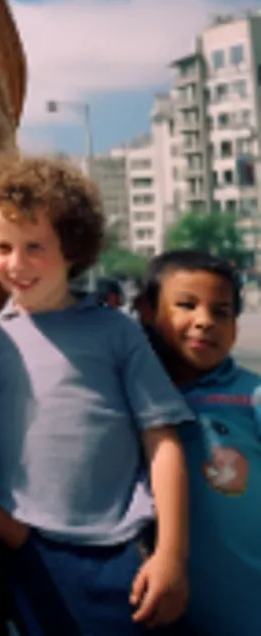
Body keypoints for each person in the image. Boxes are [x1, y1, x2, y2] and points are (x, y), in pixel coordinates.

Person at [0, 156, 193, 636]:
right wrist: (3, 526)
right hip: (25, 555)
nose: (16, 263)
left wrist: (170, 554)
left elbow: (163, 442)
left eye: (35, 246)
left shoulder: (117, 333)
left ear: (72, 247)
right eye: (3, 246)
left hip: (119, 559)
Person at [137, 249, 261, 636]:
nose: (205, 321)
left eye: (221, 312)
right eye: (186, 305)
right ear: (146, 311)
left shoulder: (250, 396)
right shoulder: (130, 397)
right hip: (155, 607)